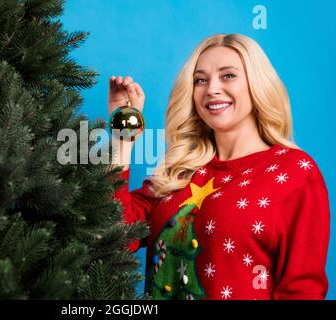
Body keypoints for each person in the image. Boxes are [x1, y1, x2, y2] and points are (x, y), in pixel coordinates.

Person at [108, 33, 330, 300]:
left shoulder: (296, 171)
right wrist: (122, 133)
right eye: (200, 80)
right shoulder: (180, 170)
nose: (211, 88)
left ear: (256, 84)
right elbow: (114, 236)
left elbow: (301, 290)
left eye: (228, 76)